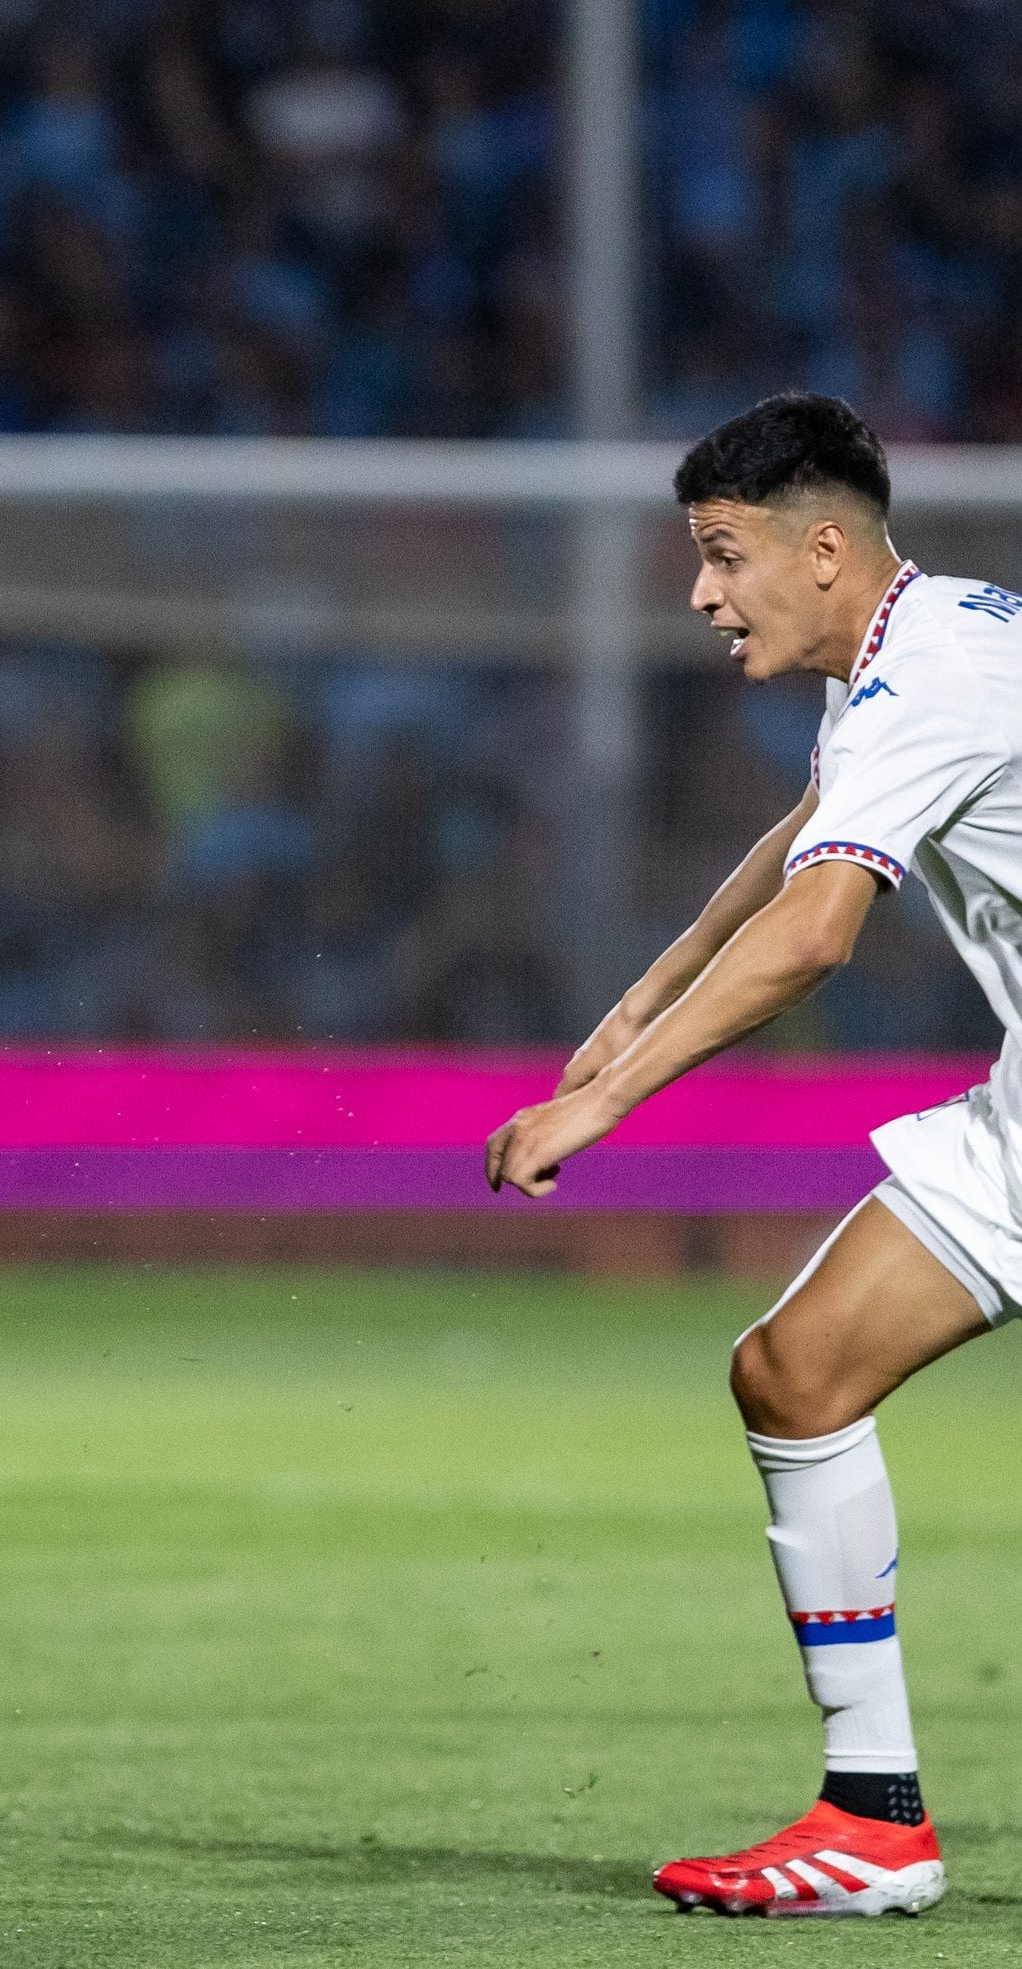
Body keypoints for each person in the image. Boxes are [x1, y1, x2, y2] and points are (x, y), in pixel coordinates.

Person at [486, 391, 1006, 1918]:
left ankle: (872, 1815)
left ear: (823, 549)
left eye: (723, 557)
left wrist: (605, 1104)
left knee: (796, 1373)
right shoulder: (922, 641)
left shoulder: (932, 674)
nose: (704, 596)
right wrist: (641, 998)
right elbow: (804, 834)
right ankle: (873, 1819)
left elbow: (815, 933)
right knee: (796, 1373)